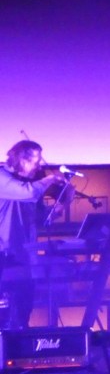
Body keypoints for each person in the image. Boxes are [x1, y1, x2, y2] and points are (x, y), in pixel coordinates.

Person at [0, 140, 68, 328]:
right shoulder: (2, 177)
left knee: (23, 307)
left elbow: (40, 218)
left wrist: (64, 203)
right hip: (3, 255)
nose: (39, 167)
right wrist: (49, 179)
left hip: (23, 256)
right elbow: (27, 193)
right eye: (36, 162)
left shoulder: (30, 185)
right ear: (22, 160)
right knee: (3, 311)